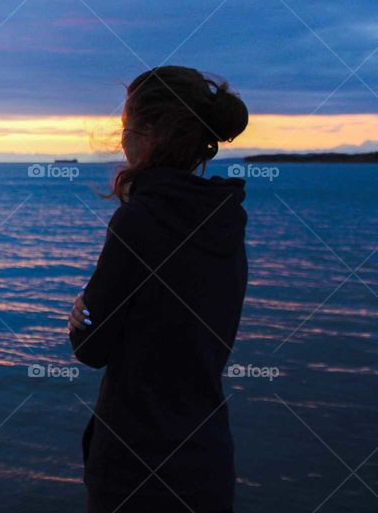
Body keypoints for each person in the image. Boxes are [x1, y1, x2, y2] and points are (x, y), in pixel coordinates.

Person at [69, 66, 249, 513]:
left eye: (125, 125)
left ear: (150, 133)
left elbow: (91, 346)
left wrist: (80, 313)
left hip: (135, 466)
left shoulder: (139, 220)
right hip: (207, 461)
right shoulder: (226, 218)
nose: (121, 139)